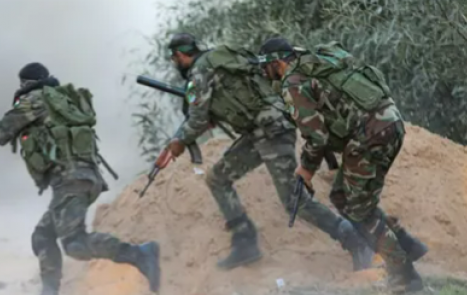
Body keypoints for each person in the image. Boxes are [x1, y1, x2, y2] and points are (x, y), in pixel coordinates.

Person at [155, 33, 375, 271]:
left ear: (180, 55)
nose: (175, 63)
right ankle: (245, 242)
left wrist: (178, 142)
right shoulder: (218, 58)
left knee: (294, 201)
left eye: (174, 58)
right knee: (217, 178)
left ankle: (355, 239)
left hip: (271, 131)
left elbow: (197, 119)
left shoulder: (199, 72)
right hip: (261, 130)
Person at [0, 62, 161, 295]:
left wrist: (19, 114)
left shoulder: (34, 101)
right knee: (43, 235)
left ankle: (141, 254)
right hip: (83, 179)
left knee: (75, 244)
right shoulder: (63, 100)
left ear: (25, 83)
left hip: (70, 181)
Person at [258, 37, 428, 294]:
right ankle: (408, 245)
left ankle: (404, 274)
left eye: (265, 65)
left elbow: (317, 136)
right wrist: (333, 163)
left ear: (278, 62)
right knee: (343, 197)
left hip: (370, 135)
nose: (263, 72)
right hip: (390, 123)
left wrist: (306, 170)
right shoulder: (314, 64)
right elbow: (330, 119)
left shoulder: (293, 83)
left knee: (357, 209)